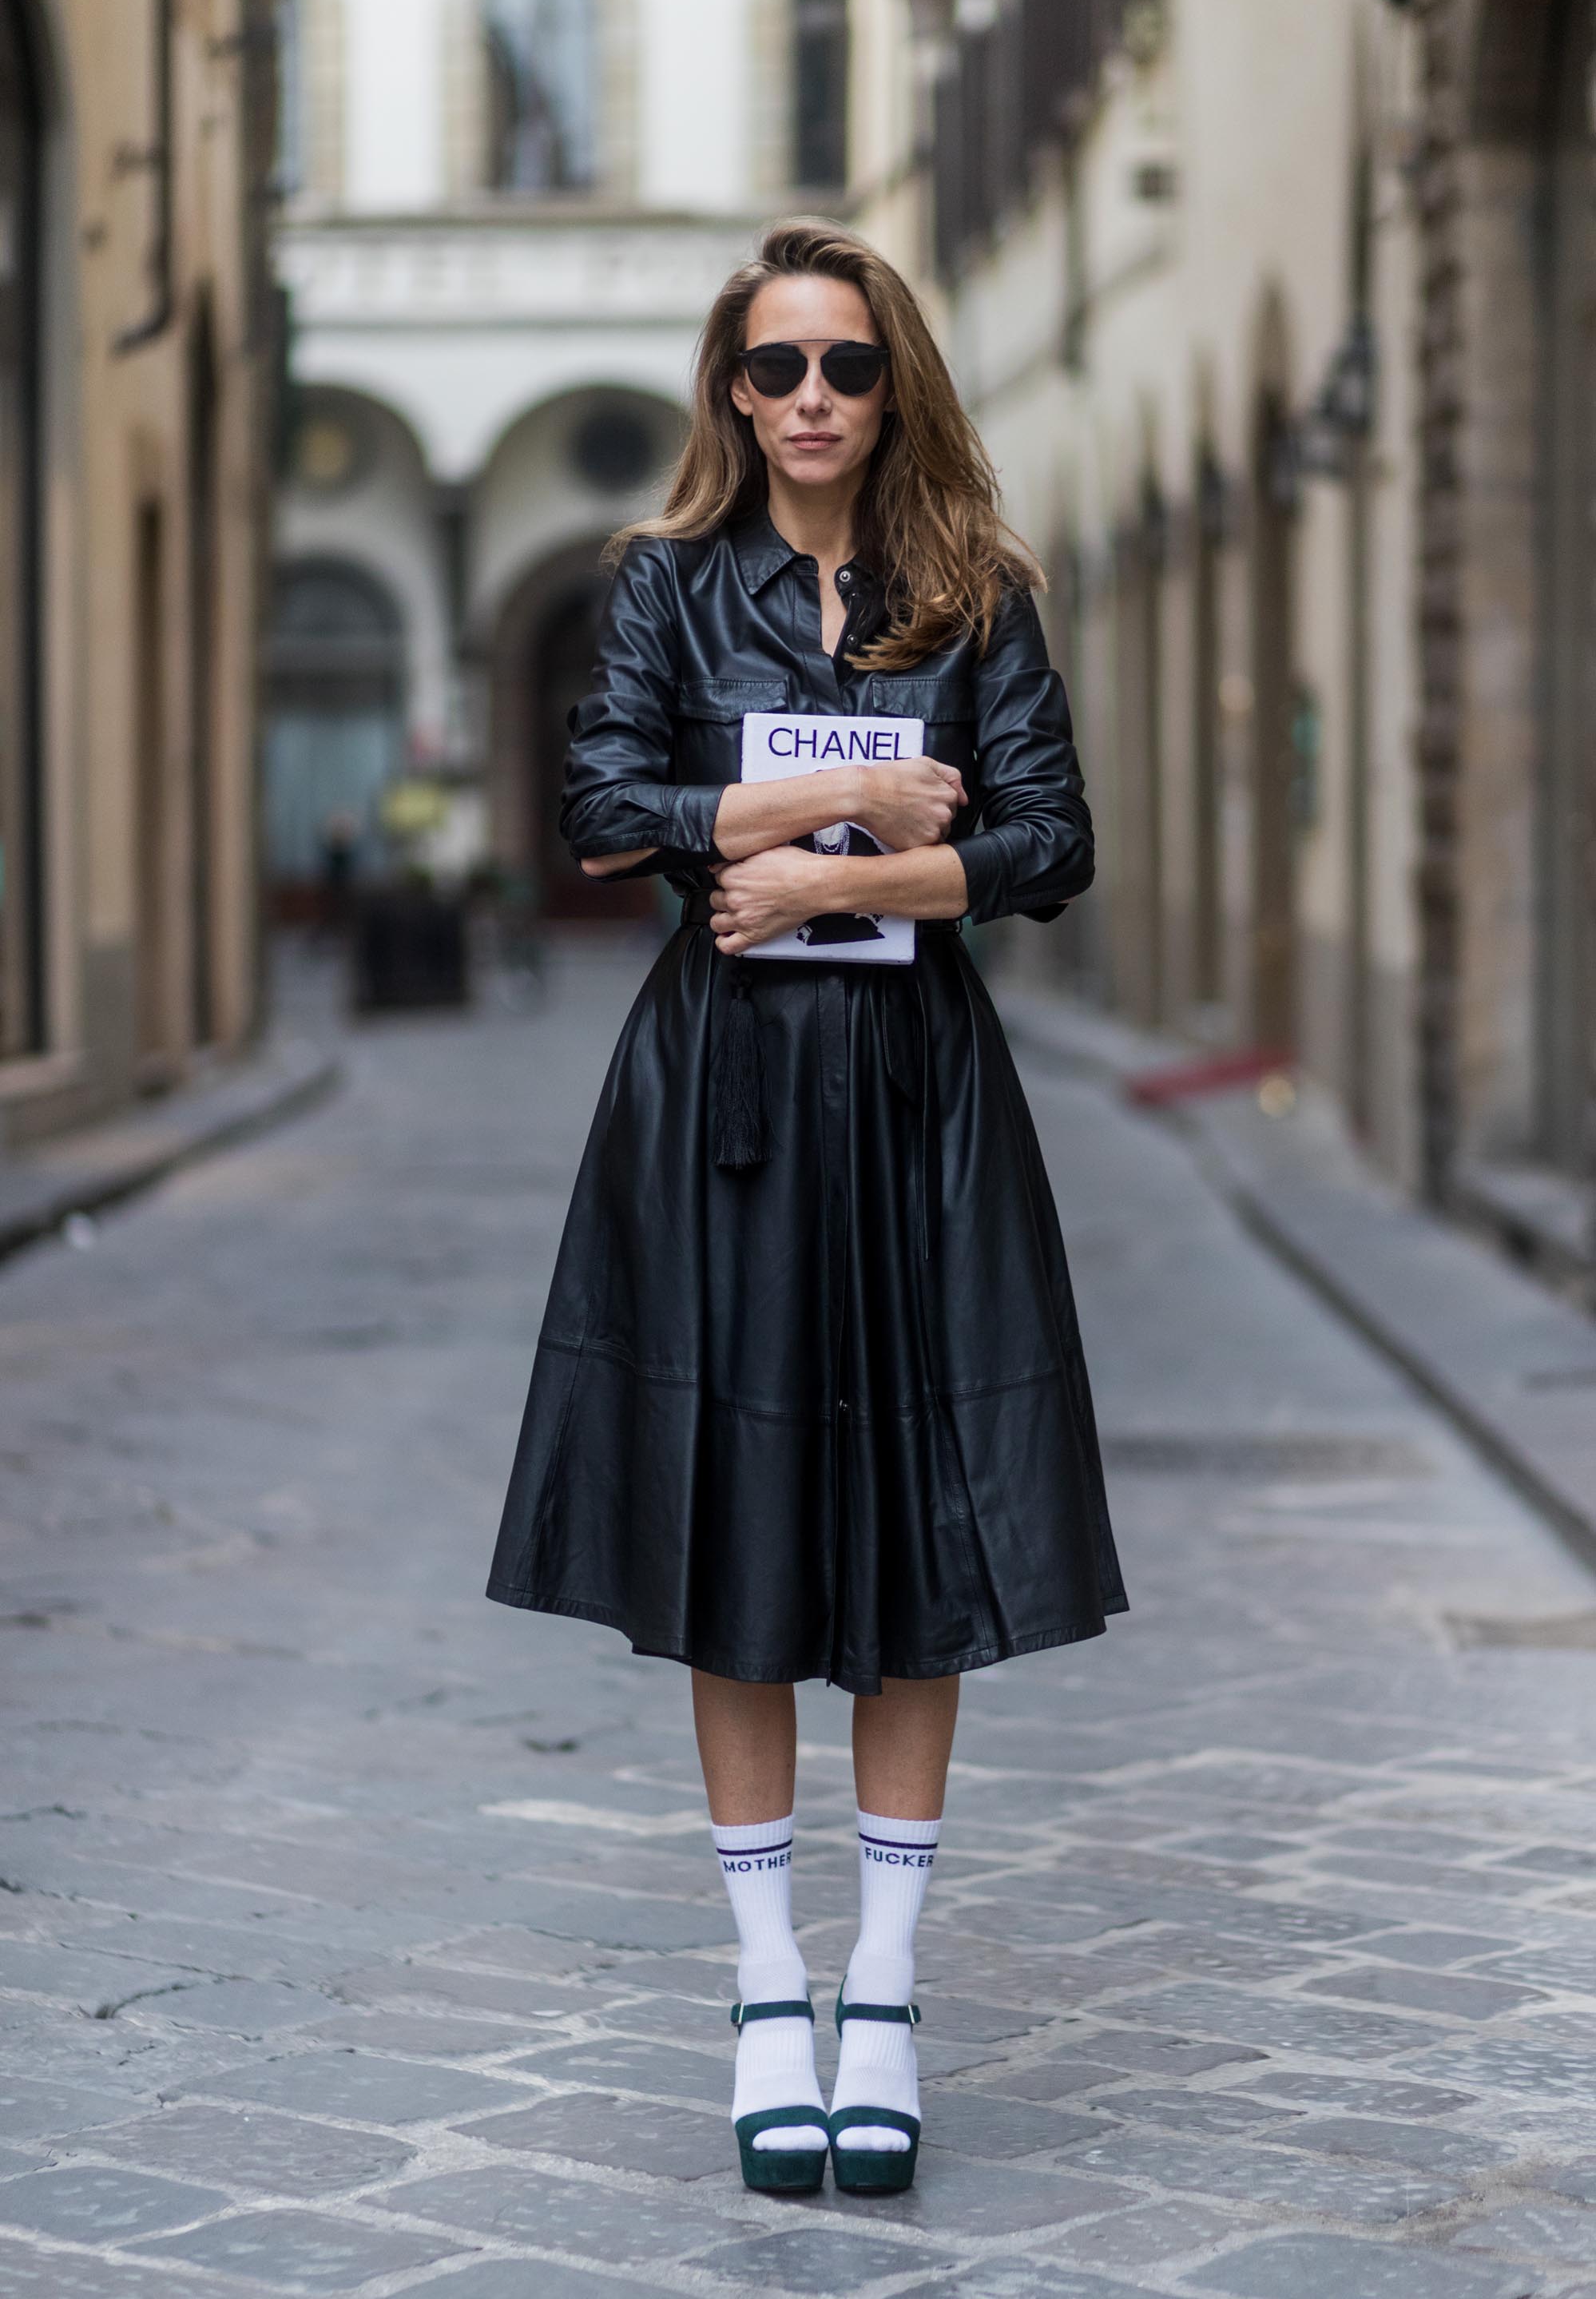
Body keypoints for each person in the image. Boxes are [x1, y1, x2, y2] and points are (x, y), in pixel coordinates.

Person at [486, 219, 1127, 2197]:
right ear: (731, 390)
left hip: (922, 1101)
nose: (815, 400)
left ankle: (892, 1987)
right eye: (777, 369)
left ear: (895, 379)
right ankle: (771, 1983)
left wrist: (837, 889)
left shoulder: (979, 595)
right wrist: (795, 819)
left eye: (847, 365)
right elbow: (602, 810)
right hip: (727, 1103)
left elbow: (1048, 844)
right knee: (739, 1516)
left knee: (920, 1517)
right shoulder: (668, 588)